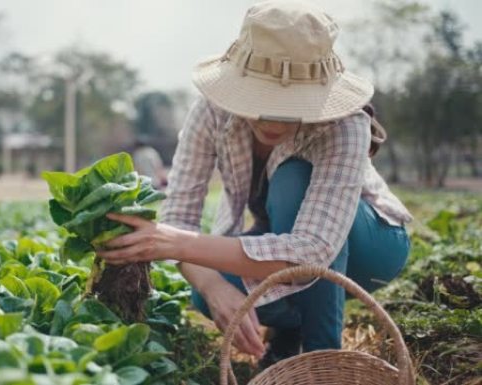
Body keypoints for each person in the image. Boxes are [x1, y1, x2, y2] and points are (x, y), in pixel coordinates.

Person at [97, 0, 412, 369]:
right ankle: (289, 332)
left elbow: (312, 251)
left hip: (369, 245)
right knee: (210, 288)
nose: (272, 121)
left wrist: (176, 242)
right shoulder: (210, 113)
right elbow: (179, 217)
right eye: (261, 102)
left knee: (291, 181)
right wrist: (214, 289)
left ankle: (320, 358)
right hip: (288, 238)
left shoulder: (344, 125)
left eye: (289, 106)